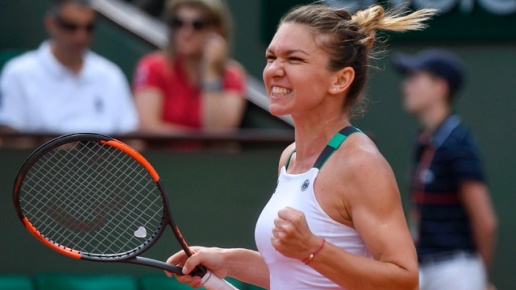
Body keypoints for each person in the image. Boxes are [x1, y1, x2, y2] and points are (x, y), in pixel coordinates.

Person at [165, 3, 435, 289]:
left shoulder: (360, 163)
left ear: (340, 79)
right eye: (271, 57)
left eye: (293, 59)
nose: (274, 70)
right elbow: (298, 276)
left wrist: (312, 249)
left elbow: (404, 280)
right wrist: (229, 261)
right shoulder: (290, 157)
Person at [392, 49, 498, 290]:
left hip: (456, 272)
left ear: (440, 87)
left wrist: (478, 276)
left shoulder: (457, 142)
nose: (405, 87)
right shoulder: (425, 141)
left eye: (415, 78)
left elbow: (486, 222)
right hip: (424, 268)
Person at [0, 0, 138, 139]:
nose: (80, 37)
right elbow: (11, 139)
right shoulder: (18, 73)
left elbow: (131, 137)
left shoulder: (111, 74)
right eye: (71, 27)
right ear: (51, 23)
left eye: (89, 27)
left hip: (103, 160)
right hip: (41, 161)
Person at [132, 0, 247, 147]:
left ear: (217, 30)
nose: (186, 32)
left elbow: (218, 134)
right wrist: (201, 138)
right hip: (161, 161)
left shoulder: (233, 75)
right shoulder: (152, 66)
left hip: (209, 164)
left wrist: (210, 72)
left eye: (197, 25)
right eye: (178, 23)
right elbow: (149, 128)